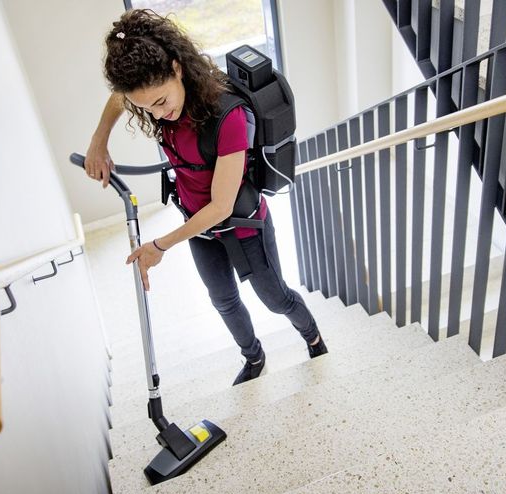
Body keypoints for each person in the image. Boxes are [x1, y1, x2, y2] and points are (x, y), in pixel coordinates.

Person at [84, 9, 326, 386]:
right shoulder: (151, 94)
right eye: (146, 108)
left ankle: (312, 336)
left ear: (178, 68)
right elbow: (121, 98)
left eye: (161, 102)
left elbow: (221, 206)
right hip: (198, 226)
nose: (157, 114)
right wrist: (99, 141)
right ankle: (254, 357)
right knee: (224, 301)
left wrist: (160, 245)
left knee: (275, 298)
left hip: (241, 223)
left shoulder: (228, 115)